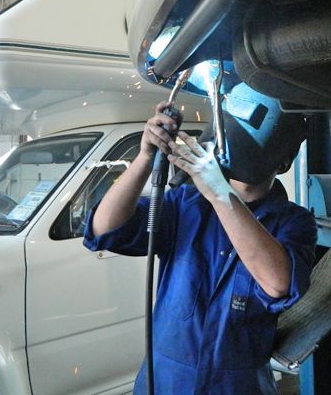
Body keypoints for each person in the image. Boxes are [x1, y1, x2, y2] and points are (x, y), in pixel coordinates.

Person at [83, 93, 318, 395]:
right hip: (165, 383)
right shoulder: (185, 205)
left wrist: (219, 193)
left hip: (237, 388)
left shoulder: (293, 222)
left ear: (284, 161)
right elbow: (104, 229)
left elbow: (277, 284)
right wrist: (144, 158)